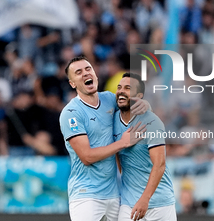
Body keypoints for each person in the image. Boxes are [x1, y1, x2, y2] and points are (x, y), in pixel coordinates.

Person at [59, 56, 148, 221]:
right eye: (78, 72)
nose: (85, 74)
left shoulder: (109, 99)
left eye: (88, 69)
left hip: (114, 194)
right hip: (86, 195)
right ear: (72, 84)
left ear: (95, 74)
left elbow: (132, 103)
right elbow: (87, 157)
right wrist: (122, 143)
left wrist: (144, 104)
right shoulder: (71, 113)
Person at [113, 72, 176, 221]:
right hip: (128, 204)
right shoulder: (112, 121)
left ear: (139, 96)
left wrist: (144, 199)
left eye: (128, 88)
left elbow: (159, 164)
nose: (121, 91)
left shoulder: (152, 122)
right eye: (119, 87)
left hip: (160, 205)